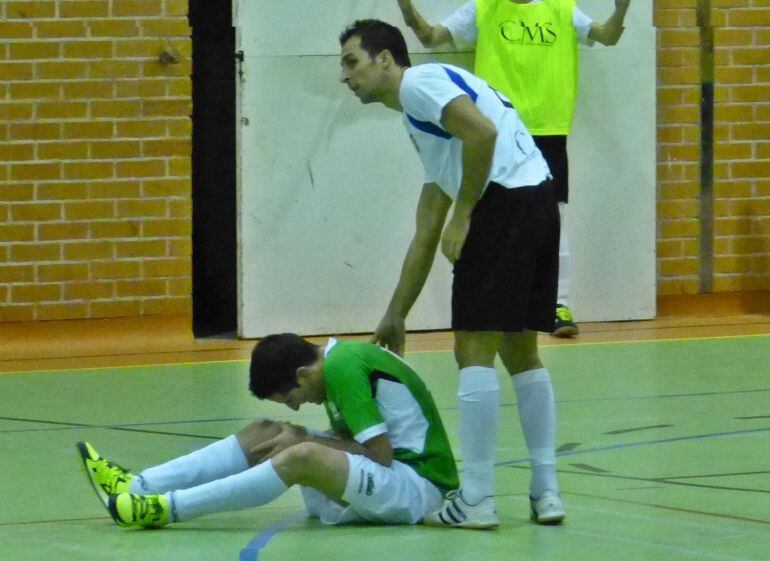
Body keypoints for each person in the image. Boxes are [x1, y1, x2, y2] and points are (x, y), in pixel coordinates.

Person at [340, 20, 563, 528]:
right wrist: (395, 314)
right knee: (520, 351)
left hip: (501, 204)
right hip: (538, 201)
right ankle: (547, 491)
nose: (346, 77)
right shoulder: (423, 118)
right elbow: (425, 232)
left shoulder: (419, 85)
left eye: (352, 62)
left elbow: (481, 132)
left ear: (385, 60)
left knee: (472, 350)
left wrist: (465, 211)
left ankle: (478, 498)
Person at [396, 0, 632, 337]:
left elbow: (607, 36)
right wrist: (406, 8)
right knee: (491, 212)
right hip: (498, 130)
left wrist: (621, 10)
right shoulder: (482, 9)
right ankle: (498, 300)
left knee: (552, 215)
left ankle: (556, 304)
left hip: (548, 128)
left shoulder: (562, 8)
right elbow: (431, 37)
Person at [76, 334, 459, 528]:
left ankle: (164, 509)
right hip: (392, 479)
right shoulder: (335, 363)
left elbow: (380, 455)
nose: (296, 406)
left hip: (418, 488)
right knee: (267, 431)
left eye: (291, 397)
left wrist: (308, 439)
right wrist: (299, 433)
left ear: (304, 374)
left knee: (302, 454)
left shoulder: (342, 367)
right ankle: (138, 485)